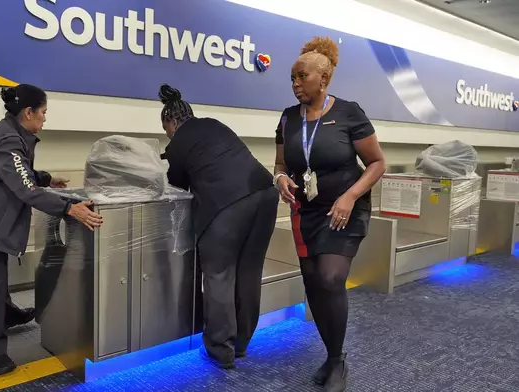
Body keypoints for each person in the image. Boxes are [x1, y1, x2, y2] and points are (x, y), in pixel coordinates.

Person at [0, 84, 103, 376]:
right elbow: (25, 188)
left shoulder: (13, 134)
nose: (45, 119)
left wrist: (46, 178)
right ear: (28, 112)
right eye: (43, 113)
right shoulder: (8, 139)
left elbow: (20, 174)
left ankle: (7, 314)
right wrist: (70, 208)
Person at [273, 37, 386, 391]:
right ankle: (332, 353)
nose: (294, 85)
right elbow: (280, 163)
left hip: (344, 209)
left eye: (301, 77)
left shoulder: (349, 112)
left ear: (323, 78)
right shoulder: (289, 118)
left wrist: (351, 196)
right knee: (313, 283)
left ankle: (337, 361)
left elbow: (377, 163)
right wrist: (279, 178)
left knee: (330, 277)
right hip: (305, 211)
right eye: (291, 78)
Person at [159, 84, 279, 370]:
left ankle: (219, 349)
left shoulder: (178, 143)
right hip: (265, 193)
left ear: (172, 122)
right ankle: (241, 345)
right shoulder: (213, 124)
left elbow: (177, 188)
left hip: (226, 206)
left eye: (166, 130)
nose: (168, 135)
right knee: (249, 272)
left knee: (219, 275)